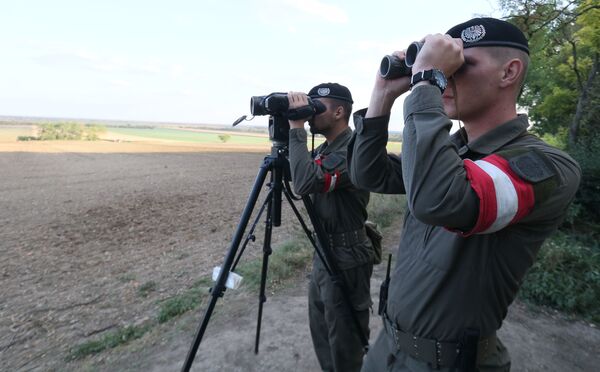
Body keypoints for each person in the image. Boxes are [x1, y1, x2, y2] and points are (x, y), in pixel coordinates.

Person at [347, 18, 581, 371]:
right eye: (446, 65)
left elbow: (438, 199)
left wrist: (427, 79)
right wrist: (383, 93)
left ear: (509, 73)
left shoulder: (549, 165)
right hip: (387, 350)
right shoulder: (451, 151)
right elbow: (369, 173)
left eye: (461, 65)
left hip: (451, 364)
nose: (447, 76)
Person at [286, 83, 376, 372]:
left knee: (344, 342)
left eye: (316, 107)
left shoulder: (354, 150)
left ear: (339, 112)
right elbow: (299, 172)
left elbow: (303, 184)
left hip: (348, 256)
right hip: (324, 253)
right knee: (323, 333)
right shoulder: (326, 148)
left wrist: (296, 127)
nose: (310, 113)